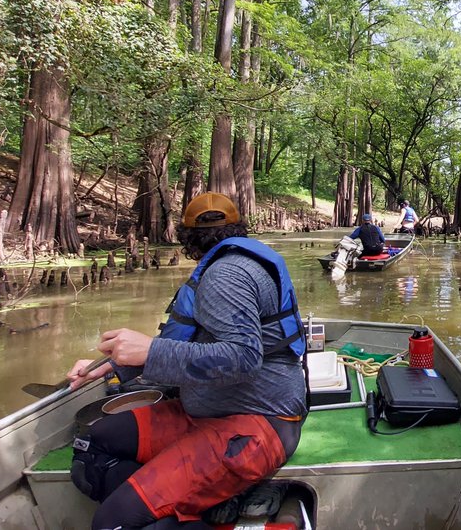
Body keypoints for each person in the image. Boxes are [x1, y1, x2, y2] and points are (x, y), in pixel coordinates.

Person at [65, 192, 306, 530]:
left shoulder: (225, 277)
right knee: (92, 445)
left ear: (187, 239)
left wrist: (151, 352)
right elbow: (188, 340)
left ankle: (162, 508)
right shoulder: (232, 265)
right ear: (239, 229)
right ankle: (199, 502)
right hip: (206, 412)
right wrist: (111, 365)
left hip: (254, 425)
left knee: (112, 524)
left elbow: (243, 357)